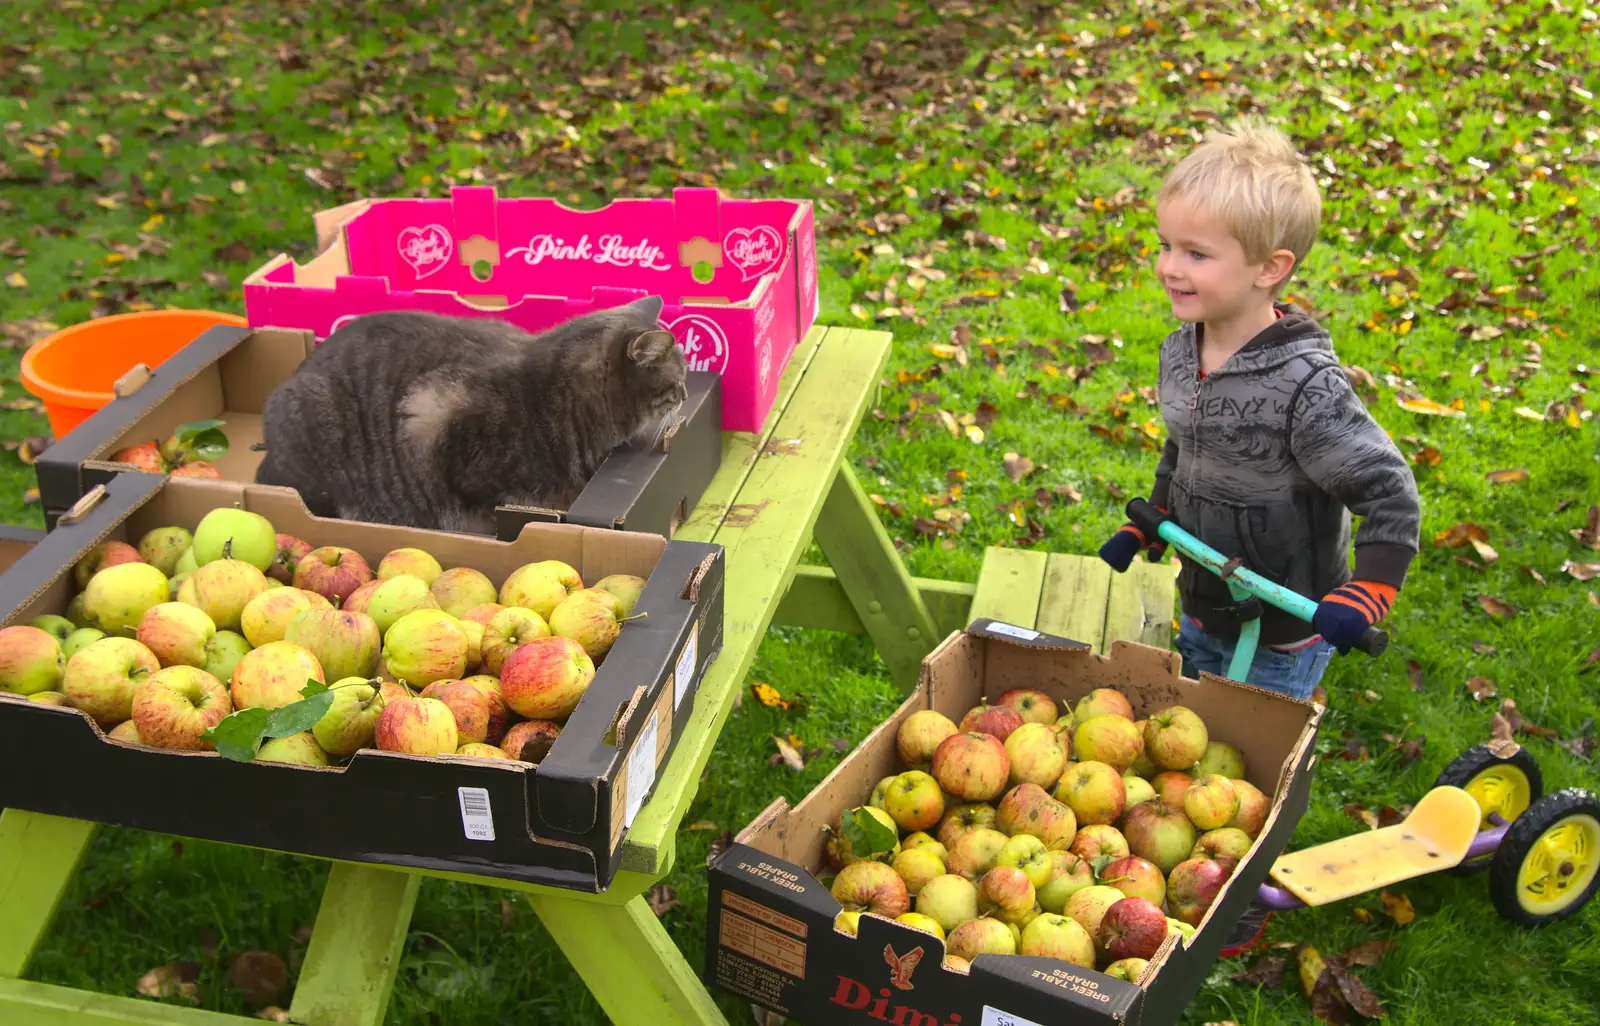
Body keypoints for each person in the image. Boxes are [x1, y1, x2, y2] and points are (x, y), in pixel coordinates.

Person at [1098, 118, 1421, 702]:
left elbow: (1389, 490)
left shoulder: (1306, 387)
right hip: (1203, 600)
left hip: (1282, 623)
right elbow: (1186, 442)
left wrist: (1370, 589)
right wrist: (1152, 518)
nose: (1170, 266)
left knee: (1251, 755)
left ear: (1270, 268)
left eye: (1197, 253)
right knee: (1194, 732)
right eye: (1165, 245)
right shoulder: (1181, 350)